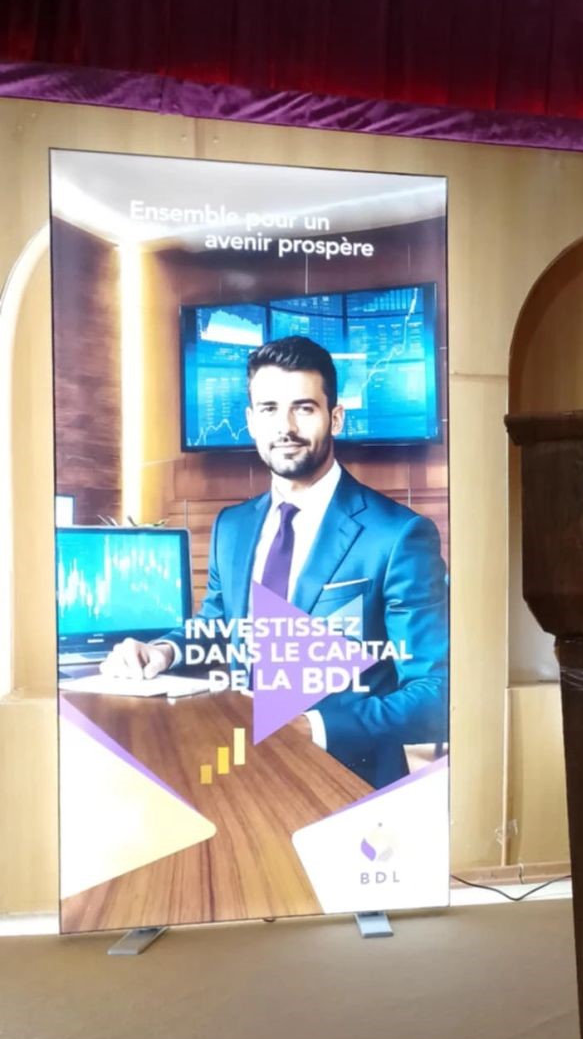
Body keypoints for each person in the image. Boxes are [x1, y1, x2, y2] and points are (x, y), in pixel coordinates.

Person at [102, 335, 448, 789]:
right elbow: (218, 624)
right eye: (269, 409)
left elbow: (436, 693)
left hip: (347, 783)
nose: (285, 427)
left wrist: (315, 727)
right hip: (239, 768)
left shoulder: (398, 534)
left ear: (335, 417)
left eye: (303, 408)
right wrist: (163, 650)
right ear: (250, 421)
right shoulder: (232, 527)